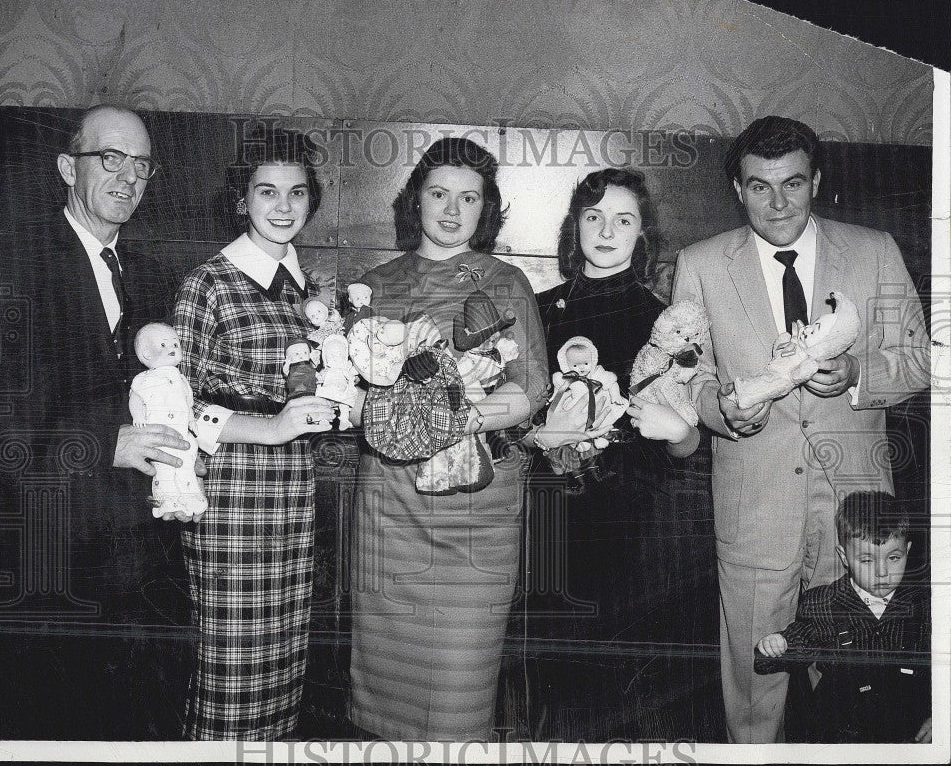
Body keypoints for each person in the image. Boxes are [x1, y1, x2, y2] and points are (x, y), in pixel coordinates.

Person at [671, 116, 930, 743]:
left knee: (860, 678)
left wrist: (855, 375)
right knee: (758, 676)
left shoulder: (874, 251)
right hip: (754, 508)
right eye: (759, 187)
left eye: (792, 184)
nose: (778, 203)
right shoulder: (701, 265)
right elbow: (683, 378)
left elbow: (922, 358)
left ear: (816, 181)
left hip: (859, 512)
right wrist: (719, 410)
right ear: (737, 188)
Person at [0, 105, 194, 739]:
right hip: (45, 560)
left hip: (136, 557)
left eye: (142, 164)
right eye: (110, 159)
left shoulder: (151, 271)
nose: (129, 177)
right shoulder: (8, 264)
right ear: (69, 166)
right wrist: (104, 443)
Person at [348, 137, 550, 741]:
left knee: (461, 687)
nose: (452, 209)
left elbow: (530, 392)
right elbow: (351, 392)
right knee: (389, 683)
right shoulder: (375, 284)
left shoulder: (507, 280)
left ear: (487, 207)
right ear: (416, 200)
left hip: (476, 511)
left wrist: (452, 418)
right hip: (392, 506)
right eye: (439, 193)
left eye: (470, 196)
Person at [523, 168, 718, 740]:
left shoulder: (664, 321)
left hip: (635, 521)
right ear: (574, 226)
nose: (606, 231)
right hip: (549, 514)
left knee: (620, 681)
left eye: (623, 219)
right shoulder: (537, 308)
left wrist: (679, 429)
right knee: (547, 665)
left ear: (642, 235)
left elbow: (689, 444)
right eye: (593, 216)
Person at [173, 128, 336, 740]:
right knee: (230, 663)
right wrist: (269, 428)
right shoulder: (208, 282)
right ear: (242, 201)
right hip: (229, 497)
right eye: (267, 192)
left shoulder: (311, 289)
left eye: (297, 192)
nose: (284, 206)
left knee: (283, 654)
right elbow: (175, 406)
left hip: (294, 492)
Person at [754, 491, 930, 743]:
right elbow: (800, 640)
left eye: (893, 558)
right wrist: (777, 645)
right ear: (844, 556)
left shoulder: (922, 603)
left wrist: (940, 715)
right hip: (840, 728)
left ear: (907, 550)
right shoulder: (825, 602)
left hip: (906, 726)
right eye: (867, 560)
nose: (882, 572)